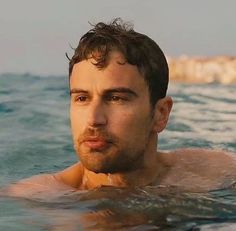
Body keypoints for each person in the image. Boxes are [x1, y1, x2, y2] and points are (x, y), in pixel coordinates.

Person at [2, 18, 236, 197]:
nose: (94, 119)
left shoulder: (214, 173)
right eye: (82, 98)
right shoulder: (37, 198)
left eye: (116, 98)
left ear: (161, 114)